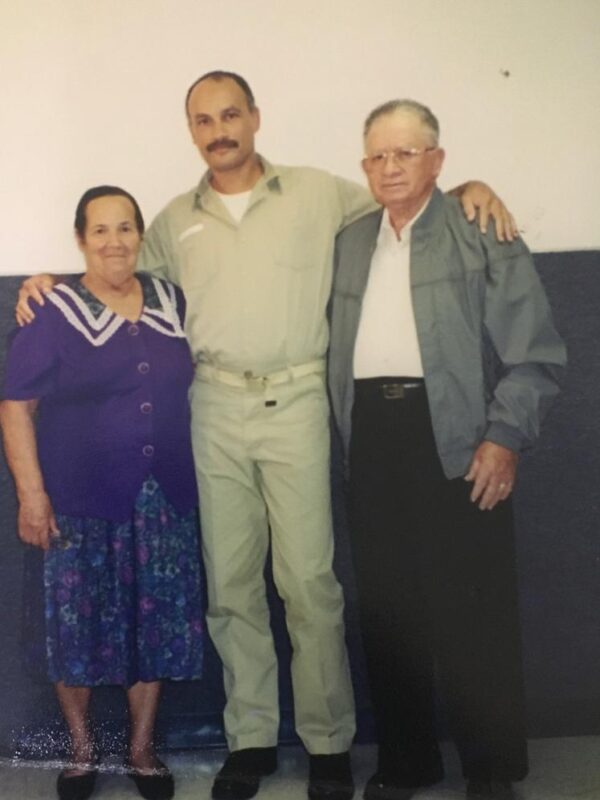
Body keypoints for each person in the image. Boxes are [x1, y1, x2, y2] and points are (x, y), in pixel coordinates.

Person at [16, 72, 520, 800]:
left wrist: (471, 184)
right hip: (214, 407)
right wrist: (44, 282)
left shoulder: (318, 193)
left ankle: (328, 745)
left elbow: (405, 200)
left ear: (255, 117)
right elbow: (115, 272)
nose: (219, 130)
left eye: (230, 115)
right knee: (231, 587)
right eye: (203, 120)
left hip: (297, 401)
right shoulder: (173, 221)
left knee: (309, 583)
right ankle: (249, 740)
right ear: (192, 131)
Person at [327, 99, 566, 800]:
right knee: (389, 610)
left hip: (459, 436)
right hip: (371, 439)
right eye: (377, 156)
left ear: (437, 161)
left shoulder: (479, 229)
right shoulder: (349, 241)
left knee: (474, 607)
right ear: (364, 166)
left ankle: (489, 769)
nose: (390, 167)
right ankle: (407, 762)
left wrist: (503, 437)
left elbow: (535, 354)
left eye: (406, 153)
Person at [1, 186, 204, 800]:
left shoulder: (171, 300)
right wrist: (31, 496)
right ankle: (82, 750)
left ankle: (141, 749)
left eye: (125, 228)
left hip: (163, 498)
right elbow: (15, 406)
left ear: (140, 235)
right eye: (100, 230)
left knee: (154, 624)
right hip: (80, 502)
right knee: (78, 628)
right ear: (80, 239)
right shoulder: (53, 310)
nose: (115, 242)